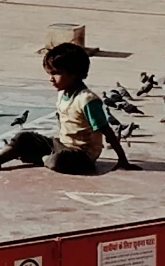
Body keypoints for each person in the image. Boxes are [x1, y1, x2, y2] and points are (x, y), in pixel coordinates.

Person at [40, 41, 128, 173]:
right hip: (64, 146)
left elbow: (106, 130)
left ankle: (45, 159)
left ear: (74, 74)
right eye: (50, 74)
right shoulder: (61, 93)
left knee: (58, 160)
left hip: (83, 155)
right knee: (24, 139)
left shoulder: (87, 100)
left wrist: (122, 159)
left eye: (56, 73)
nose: (51, 79)